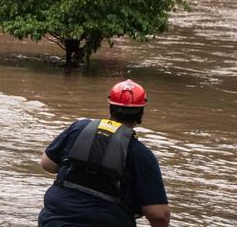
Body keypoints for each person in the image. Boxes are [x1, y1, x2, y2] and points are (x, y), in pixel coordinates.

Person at [38, 79, 170, 227]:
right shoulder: (141, 154)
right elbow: (159, 216)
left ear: (110, 107)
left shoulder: (78, 128)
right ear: (141, 114)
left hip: (54, 221)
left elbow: (47, 164)